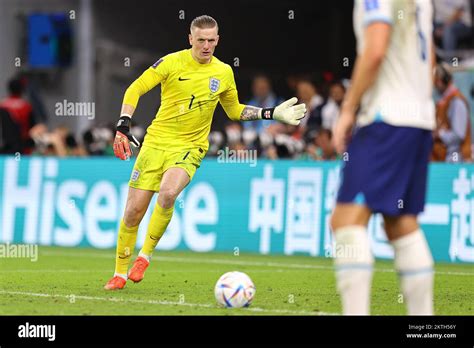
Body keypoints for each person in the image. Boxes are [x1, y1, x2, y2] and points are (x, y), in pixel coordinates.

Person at [105, 15, 306, 290]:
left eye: (212, 40)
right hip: (156, 143)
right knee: (132, 212)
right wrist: (123, 124)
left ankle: (145, 256)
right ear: (190, 39)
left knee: (167, 193)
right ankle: (119, 274)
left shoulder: (223, 72)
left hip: (190, 147)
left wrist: (270, 113)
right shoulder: (171, 62)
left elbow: (234, 110)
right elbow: (135, 88)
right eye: (201, 40)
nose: (206, 46)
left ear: (218, 40)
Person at [331, 0, 436, 315]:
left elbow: (376, 47)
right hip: (418, 118)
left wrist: (349, 108)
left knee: (346, 220)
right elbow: (429, 56)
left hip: (385, 116)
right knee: (400, 223)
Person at [432, 64, 471, 162]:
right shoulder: (444, 101)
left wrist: (439, 134)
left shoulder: (457, 101)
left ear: (440, 81)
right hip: (443, 159)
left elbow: (458, 135)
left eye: (436, 81)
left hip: (455, 161)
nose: (435, 86)